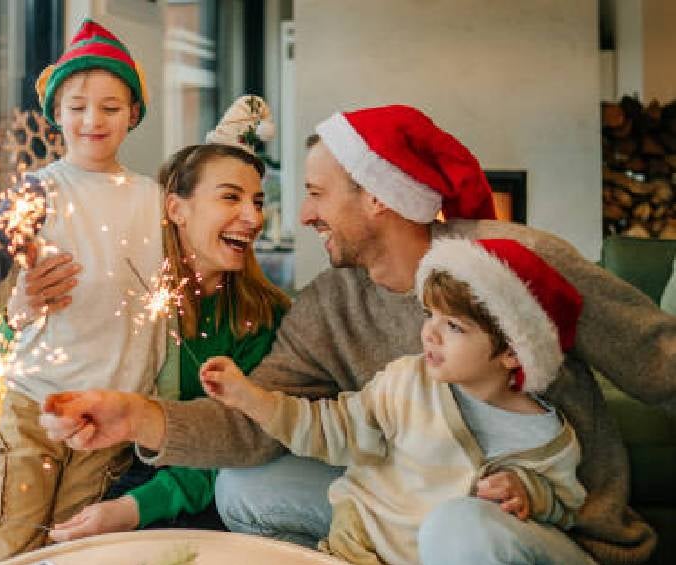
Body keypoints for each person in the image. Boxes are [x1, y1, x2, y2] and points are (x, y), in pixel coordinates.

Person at [39, 105, 676, 564]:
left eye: (316, 192)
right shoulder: (331, 305)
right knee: (246, 488)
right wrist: (139, 417)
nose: (303, 213)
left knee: (461, 533)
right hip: (412, 500)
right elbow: (254, 422)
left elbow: (660, 361)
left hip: (542, 523)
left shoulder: (513, 264)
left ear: (377, 197)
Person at [0, 19, 165, 564]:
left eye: (110, 107)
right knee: (15, 531)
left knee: (78, 539)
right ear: (56, 115)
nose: (92, 119)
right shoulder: (41, 188)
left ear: (134, 114)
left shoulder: (153, 196)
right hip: (36, 397)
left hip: (112, 404)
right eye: (77, 106)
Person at [200, 237, 587, 563]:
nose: (430, 334)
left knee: (460, 525)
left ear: (512, 353)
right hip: (378, 534)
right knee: (238, 484)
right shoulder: (407, 380)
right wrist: (252, 399)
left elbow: (562, 503)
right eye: (429, 315)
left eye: (453, 326)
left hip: (462, 545)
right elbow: (334, 428)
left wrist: (528, 492)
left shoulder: (545, 436)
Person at [47, 95, 291, 542]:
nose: (253, 217)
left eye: (257, 201)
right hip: (100, 467)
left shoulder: (265, 316)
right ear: (177, 209)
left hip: (196, 493)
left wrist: (133, 509)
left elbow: (242, 442)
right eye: (231, 198)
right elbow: (38, 348)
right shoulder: (126, 285)